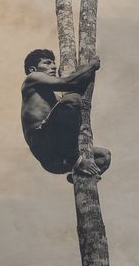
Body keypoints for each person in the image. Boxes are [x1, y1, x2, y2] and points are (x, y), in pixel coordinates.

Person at [21, 48, 111, 180]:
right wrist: (91, 65)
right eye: (47, 63)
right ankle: (77, 161)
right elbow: (71, 83)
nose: (53, 66)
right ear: (33, 69)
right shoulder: (32, 78)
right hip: (41, 141)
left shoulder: (56, 100)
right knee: (72, 99)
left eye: (53, 63)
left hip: (57, 159)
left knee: (104, 156)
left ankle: (76, 175)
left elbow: (77, 87)